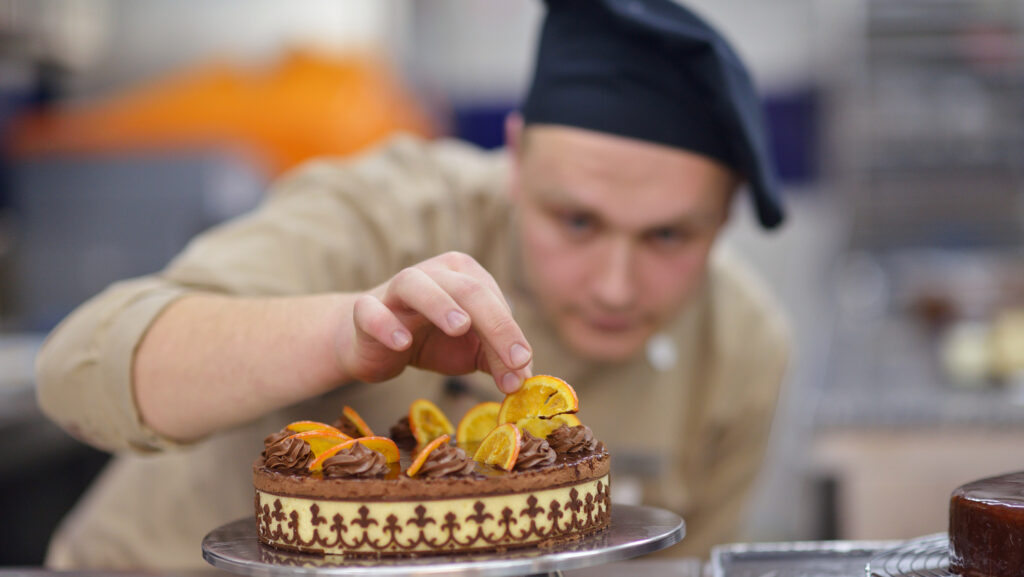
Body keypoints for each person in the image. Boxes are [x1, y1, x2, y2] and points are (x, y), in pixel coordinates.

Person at [35, 0, 790, 569]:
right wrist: (338, 337)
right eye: (577, 221)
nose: (617, 285)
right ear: (518, 159)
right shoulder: (386, 211)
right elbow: (75, 372)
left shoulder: (741, 349)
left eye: (668, 235)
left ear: (724, 219)